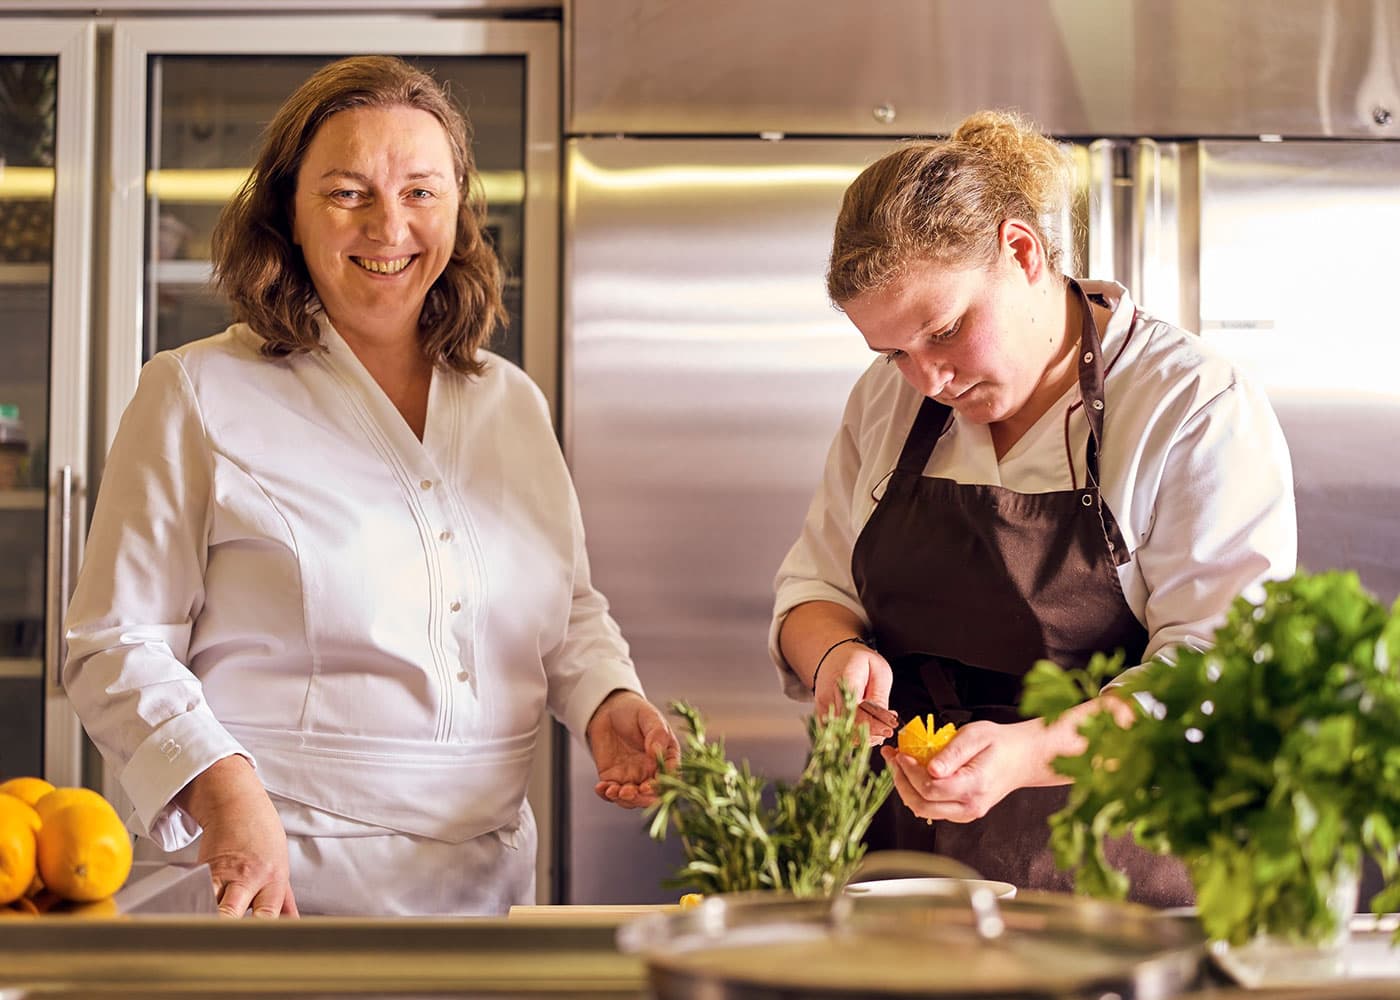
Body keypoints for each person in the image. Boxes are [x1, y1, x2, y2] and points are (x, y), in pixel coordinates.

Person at [63, 55, 678, 918]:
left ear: (458, 210)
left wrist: (607, 699)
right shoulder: (197, 391)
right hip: (268, 876)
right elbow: (114, 642)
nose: (390, 226)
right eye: (349, 192)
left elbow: (566, 608)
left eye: (421, 192)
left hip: (480, 890)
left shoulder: (510, 401)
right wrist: (221, 787)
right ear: (289, 212)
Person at [769, 110, 1296, 906]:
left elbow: (1215, 676)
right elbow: (814, 592)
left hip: (1116, 878)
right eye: (893, 354)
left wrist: (1028, 753)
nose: (928, 380)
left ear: (1023, 252)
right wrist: (834, 658)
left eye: (945, 331)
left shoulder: (1189, 404)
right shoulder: (887, 403)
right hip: (909, 876)